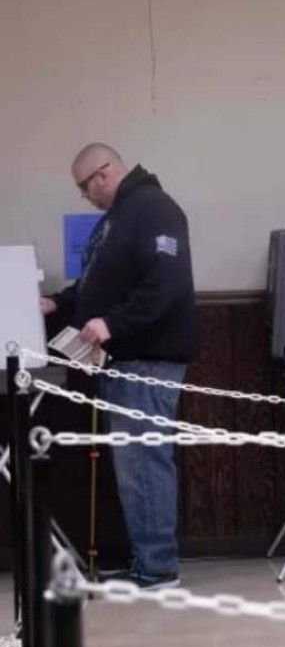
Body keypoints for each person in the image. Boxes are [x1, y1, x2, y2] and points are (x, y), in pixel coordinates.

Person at [41, 143, 197, 588]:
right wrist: (58, 302)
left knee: (144, 463)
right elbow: (95, 286)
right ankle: (146, 562)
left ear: (104, 173)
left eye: (84, 186)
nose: (85, 196)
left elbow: (164, 284)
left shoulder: (154, 209)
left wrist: (113, 323)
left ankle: (158, 568)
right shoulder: (117, 219)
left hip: (147, 359)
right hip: (126, 358)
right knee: (135, 466)